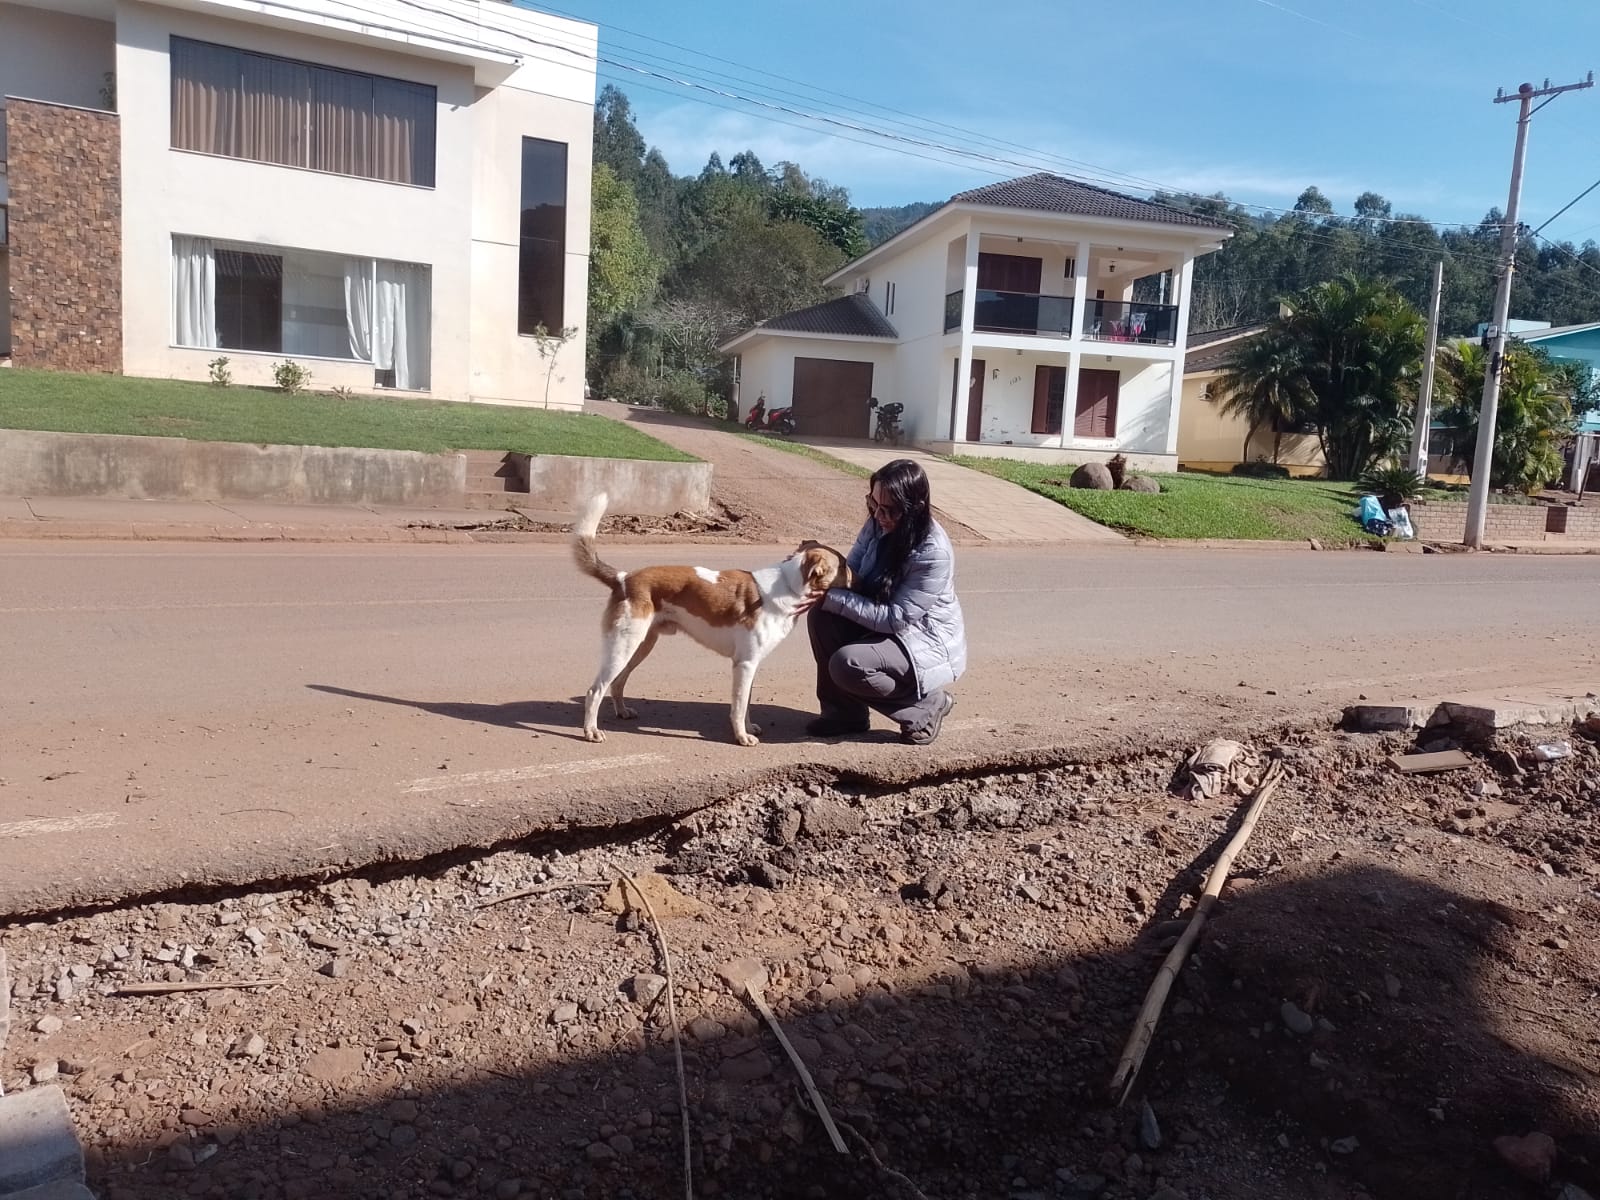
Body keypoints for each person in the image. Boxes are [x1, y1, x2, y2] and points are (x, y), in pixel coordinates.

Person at [804, 458, 966, 745]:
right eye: (872, 504)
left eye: (888, 509)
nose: (878, 514)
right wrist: (817, 582)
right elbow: (851, 576)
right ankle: (844, 714)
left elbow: (896, 618)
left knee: (848, 665)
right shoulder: (877, 524)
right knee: (822, 615)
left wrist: (832, 597)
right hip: (886, 622)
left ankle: (926, 707)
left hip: (921, 637)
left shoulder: (933, 551)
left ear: (914, 508)